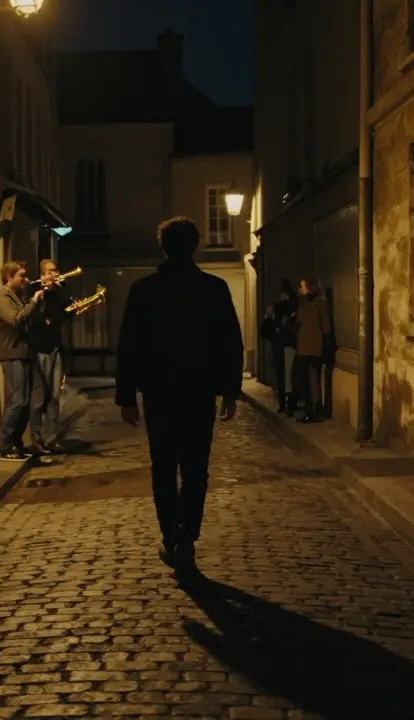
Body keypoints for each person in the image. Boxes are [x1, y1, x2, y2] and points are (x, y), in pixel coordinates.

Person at [116, 216, 244, 574]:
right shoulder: (214, 288)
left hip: (159, 392)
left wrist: (126, 394)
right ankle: (185, 534)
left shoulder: (144, 290)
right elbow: (230, 343)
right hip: (198, 391)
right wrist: (230, 390)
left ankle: (171, 536)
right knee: (195, 469)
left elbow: (129, 345)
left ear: (163, 247)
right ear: (195, 245)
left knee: (163, 467)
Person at [0, 260, 45, 461]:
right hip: (12, 353)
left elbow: (30, 320)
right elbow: (16, 320)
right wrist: (33, 302)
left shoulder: (16, 296)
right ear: (9, 277)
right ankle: (6, 446)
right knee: (18, 400)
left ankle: (16, 444)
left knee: (27, 401)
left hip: (24, 353)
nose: (26, 279)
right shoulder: (1, 298)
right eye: (22, 275)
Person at [26, 258, 72, 453]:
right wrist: (42, 294)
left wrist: (58, 290)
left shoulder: (59, 293)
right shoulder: (33, 291)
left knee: (54, 396)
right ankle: (36, 438)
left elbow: (66, 314)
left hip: (55, 348)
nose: (54, 274)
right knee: (39, 397)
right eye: (49, 271)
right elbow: (32, 318)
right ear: (43, 274)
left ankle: (51, 438)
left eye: (55, 270)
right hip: (39, 349)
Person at [293, 277, 332, 424]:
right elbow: (298, 323)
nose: (300, 289)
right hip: (303, 348)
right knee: (303, 380)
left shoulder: (321, 303)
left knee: (313, 380)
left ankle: (315, 410)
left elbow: (326, 325)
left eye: (302, 286)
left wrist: (326, 341)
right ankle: (309, 408)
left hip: (314, 347)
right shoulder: (303, 304)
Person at [259, 279, 298, 415]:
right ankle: (287, 405)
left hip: (283, 345)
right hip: (286, 345)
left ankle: (285, 404)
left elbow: (264, 332)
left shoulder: (284, 307)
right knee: (287, 377)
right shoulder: (289, 306)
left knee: (284, 377)